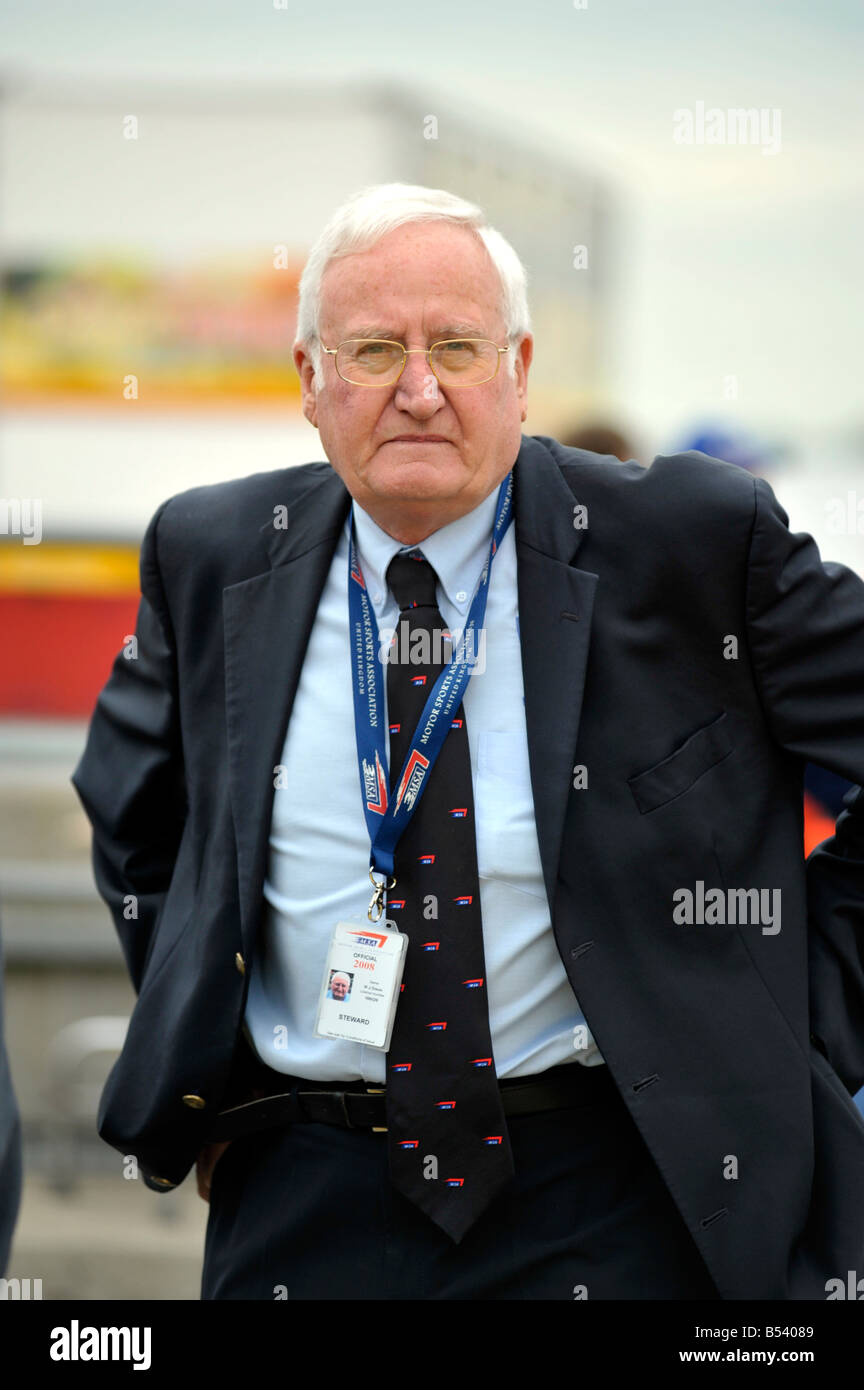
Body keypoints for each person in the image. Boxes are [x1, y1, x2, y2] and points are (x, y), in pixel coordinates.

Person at [71, 183, 864, 1302]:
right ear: (309, 380)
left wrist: (804, 1011)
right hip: (303, 1188)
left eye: (457, 344)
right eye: (375, 349)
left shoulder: (688, 546)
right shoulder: (210, 554)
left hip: (614, 1194)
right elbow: (134, 817)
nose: (421, 389)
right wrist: (204, 1051)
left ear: (521, 368)